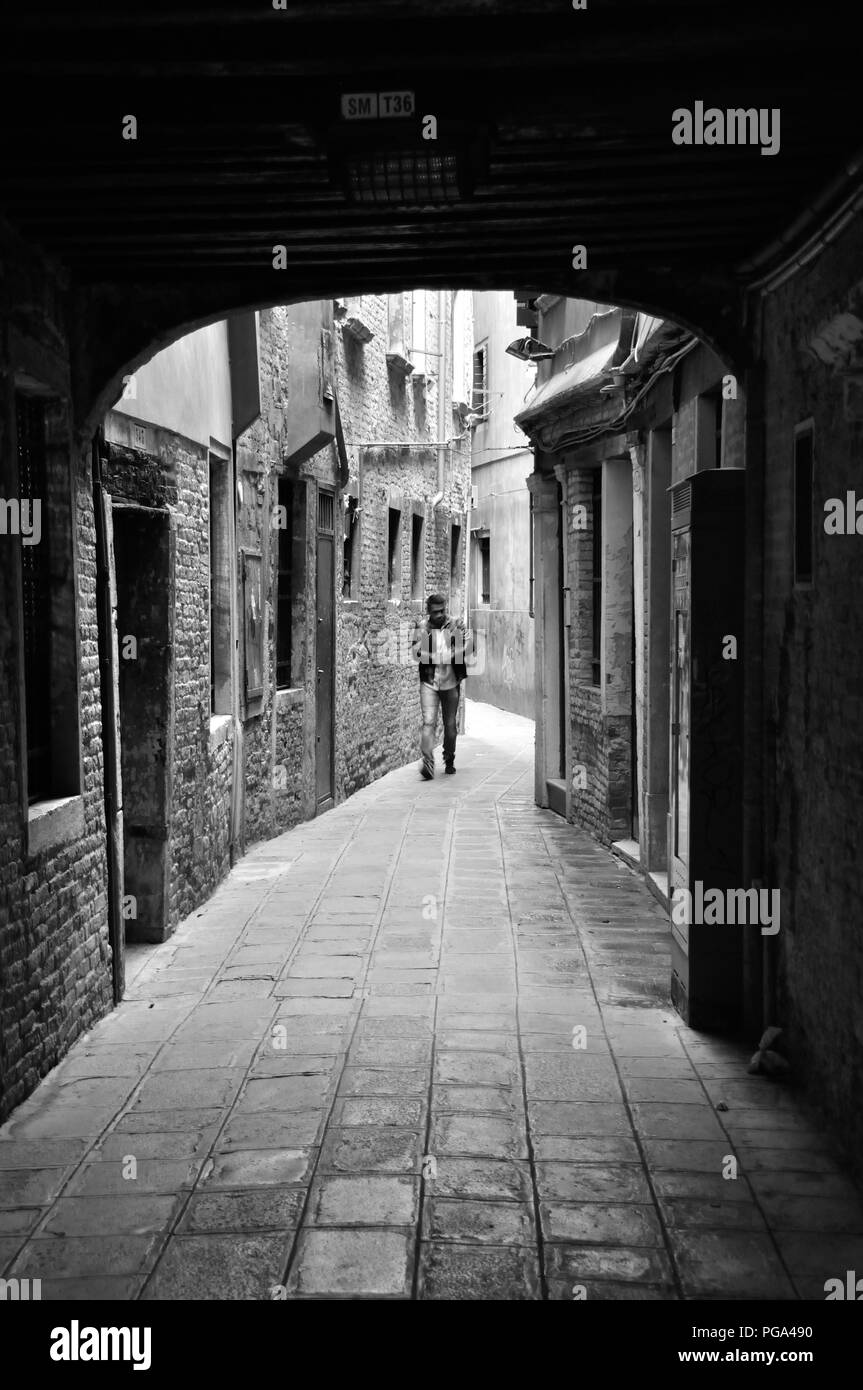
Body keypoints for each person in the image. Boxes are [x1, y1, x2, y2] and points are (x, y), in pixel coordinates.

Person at [410, 593, 474, 780]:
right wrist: (433, 657)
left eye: (442, 611)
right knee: (428, 722)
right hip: (429, 681)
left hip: (451, 681)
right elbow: (415, 653)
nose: (439, 615)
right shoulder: (421, 627)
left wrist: (452, 654)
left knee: (450, 725)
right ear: (429, 611)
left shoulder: (456, 624)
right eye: (435, 611)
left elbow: (470, 645)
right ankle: (428, 762)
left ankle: (449, 758)